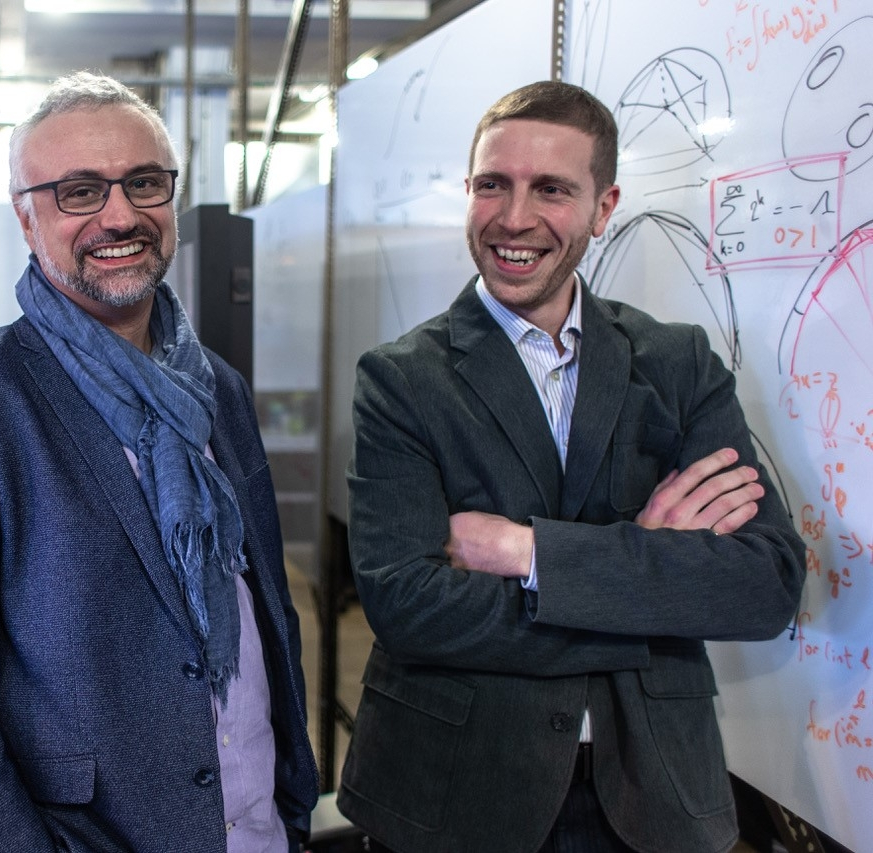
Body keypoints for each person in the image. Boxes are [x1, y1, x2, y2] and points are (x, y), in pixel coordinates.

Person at [337, 80, 806, 853]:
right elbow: (407, 602)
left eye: (551, 189)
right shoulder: (401, 377)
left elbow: (763, 586)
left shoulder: (678, 363)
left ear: (603, 206)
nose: (514, 218)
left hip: (652, 795)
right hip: (455, 792)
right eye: (493, 184)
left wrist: (530, 554)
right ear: (469, 191)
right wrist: (648, 579)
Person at [0, 71, 318, 852]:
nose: (120, 215)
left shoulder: (219, 390)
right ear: (26, 216)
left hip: (261, 826)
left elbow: (263, 610)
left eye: (144, 183)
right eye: (79, 191)